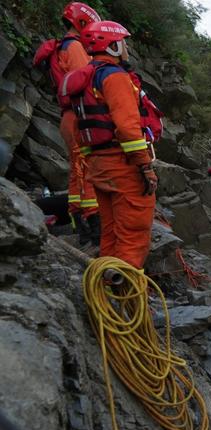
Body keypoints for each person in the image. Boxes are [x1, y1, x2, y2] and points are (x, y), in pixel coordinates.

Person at [62, 20, 157, 269]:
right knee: (132, 235)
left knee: (111, 233)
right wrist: (145, 166)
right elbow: (127, 128)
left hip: (99, 165)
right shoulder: (114, 77)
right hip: (122, 166)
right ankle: (129, 298)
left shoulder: (87, 78)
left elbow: (77, 127)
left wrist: (90, 159)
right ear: (113, 46)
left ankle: (106, 288)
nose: (126, 47)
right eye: (123, 43)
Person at [33, 2, 102, 246]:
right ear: (82, 24)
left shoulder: (61, 47)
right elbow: (87, 82)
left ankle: (79, 223)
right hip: (79, 116)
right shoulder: (74, 47)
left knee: (77, 171)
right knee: (89, 168)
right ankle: (94, 226)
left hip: (67, 117)